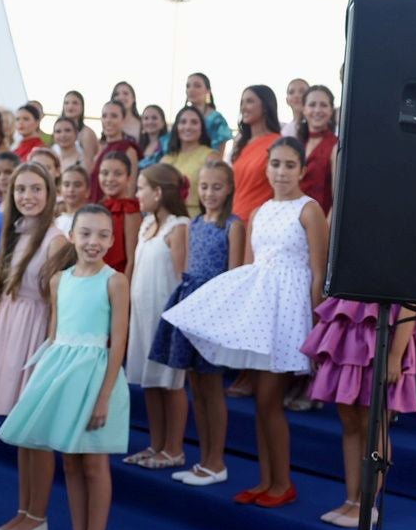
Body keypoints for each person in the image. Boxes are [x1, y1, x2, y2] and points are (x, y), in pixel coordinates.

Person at [162, 137, 328, 506]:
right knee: (260, 403)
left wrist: (319, 325)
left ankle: (282, 483)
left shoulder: (309, 210)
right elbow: (249, 269)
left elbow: (319, 272)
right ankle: (266, 480)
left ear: (302, 170)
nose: (281, 172)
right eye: (275, 164)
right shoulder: (260, 211)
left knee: (270, 400)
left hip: (289, 313)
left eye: (289, 165)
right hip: (261, 312)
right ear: (266, 168)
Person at [0, 204, 130, 530]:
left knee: (94, 463)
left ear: (112, 239)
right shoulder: (60, 280)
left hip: (95, 378)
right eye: (85, 233)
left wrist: (104, 396)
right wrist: (43, 384)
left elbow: (118, 343)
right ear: (71, 236)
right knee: (70, 461)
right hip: (63, 375)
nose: (93, 241)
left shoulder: (115, 281)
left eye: (102, 234)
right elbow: (54, 337)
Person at [0, 163, 68, 530]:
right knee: (22, 431)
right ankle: (23, 511)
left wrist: (49, 350)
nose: (27, 196)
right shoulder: (16, 232)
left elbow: (59, 303)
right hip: (12, 329)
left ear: (49, 194)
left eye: (35, 189)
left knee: (37, 432)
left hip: (36, 334)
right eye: (20, 190)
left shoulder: (56, 239)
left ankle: (37, 517)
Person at [151, 160, 241, 488]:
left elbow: (235, 276)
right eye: (204, 187)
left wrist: (224, 318)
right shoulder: (195, 223)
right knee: (197, 387)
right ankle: (203, 460)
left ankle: (216, 462)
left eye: (217, 187)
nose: (210, 193)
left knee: (212, 388)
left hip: (215, 311)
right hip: (191, 306)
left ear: (229, 189)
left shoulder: (233, 225)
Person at [301, 300, 416, 527]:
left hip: (384, 330)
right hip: (348, 327)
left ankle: (367, 504)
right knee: (349, 423)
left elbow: (411, 302)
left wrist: (395, 356)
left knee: (373, 425)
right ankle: (351, 500)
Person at [123, 165, 191, 470]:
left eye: (141, 188)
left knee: (170, 382)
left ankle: (174, 449)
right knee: (150, 381)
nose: (137, 194)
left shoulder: (179, 227)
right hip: (142, 315)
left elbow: (181, 278)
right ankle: (156, 444)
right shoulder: (146, 224)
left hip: (165, 317)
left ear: (159, 192)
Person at [229, 85, 282, 221]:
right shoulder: (241, 143)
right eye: (242, 102)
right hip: (234, 220)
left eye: (250, 101)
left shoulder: (278, 143)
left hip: (262, 220)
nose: (243, 107)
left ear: (265, 106)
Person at [93, 151, 140, 274]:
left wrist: (125, 284)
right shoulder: (98, 207)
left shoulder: (130, 210)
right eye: (105, 173)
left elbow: (132, 260)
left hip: (118, 275)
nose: (110, 179)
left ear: (128, 178)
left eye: (118, 174)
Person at [298, 85, 339, 214]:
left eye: (323, 105)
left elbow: (337, 197)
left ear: (331, 110)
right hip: (293, 218)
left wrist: (327, 224)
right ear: (304, 109)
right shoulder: (297, 144)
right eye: (312, 105)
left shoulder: (336, 145)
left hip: (322, 219)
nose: (317, 110)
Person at [88, 100, 139, 202]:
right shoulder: (100, 148)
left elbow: (130, 190)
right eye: (104, 116)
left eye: (114, 116)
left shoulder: (129, 150)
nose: (108, 120)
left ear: (123, 120)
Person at [163, 105, 216, 182]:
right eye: (183, 122)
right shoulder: (166, 159)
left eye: (194, 122)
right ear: (176, 127)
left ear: (202, 128)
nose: (188, 127)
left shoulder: (211, 157)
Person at [185, 72, 232, 157]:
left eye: (197, 86)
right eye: (188, 86)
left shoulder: (216, 119)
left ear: (208, 91)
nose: (191, 89)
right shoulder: (182, 117)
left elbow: (219, 154)